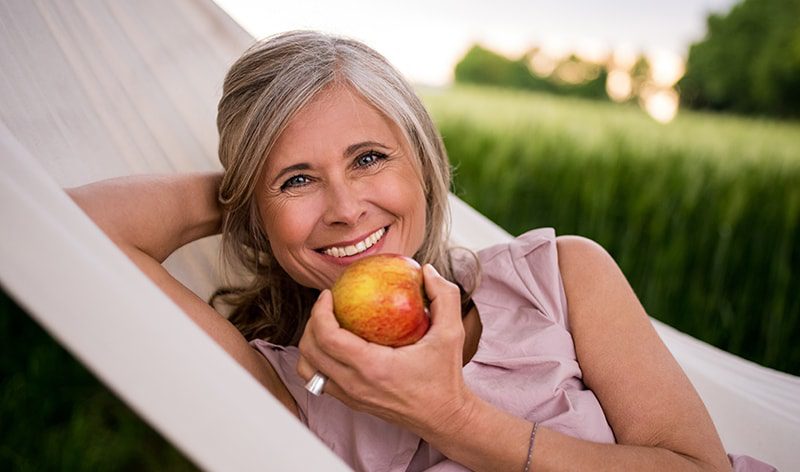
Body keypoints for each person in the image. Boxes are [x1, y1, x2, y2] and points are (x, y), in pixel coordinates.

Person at [67, 30, 774, 471]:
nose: (346, 211)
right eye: (300, 179)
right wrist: (249, 194)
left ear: (424, 163)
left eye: (370, 158)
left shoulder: (558, 279)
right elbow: (69, 228)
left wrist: (452, 419)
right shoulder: (282, 390)